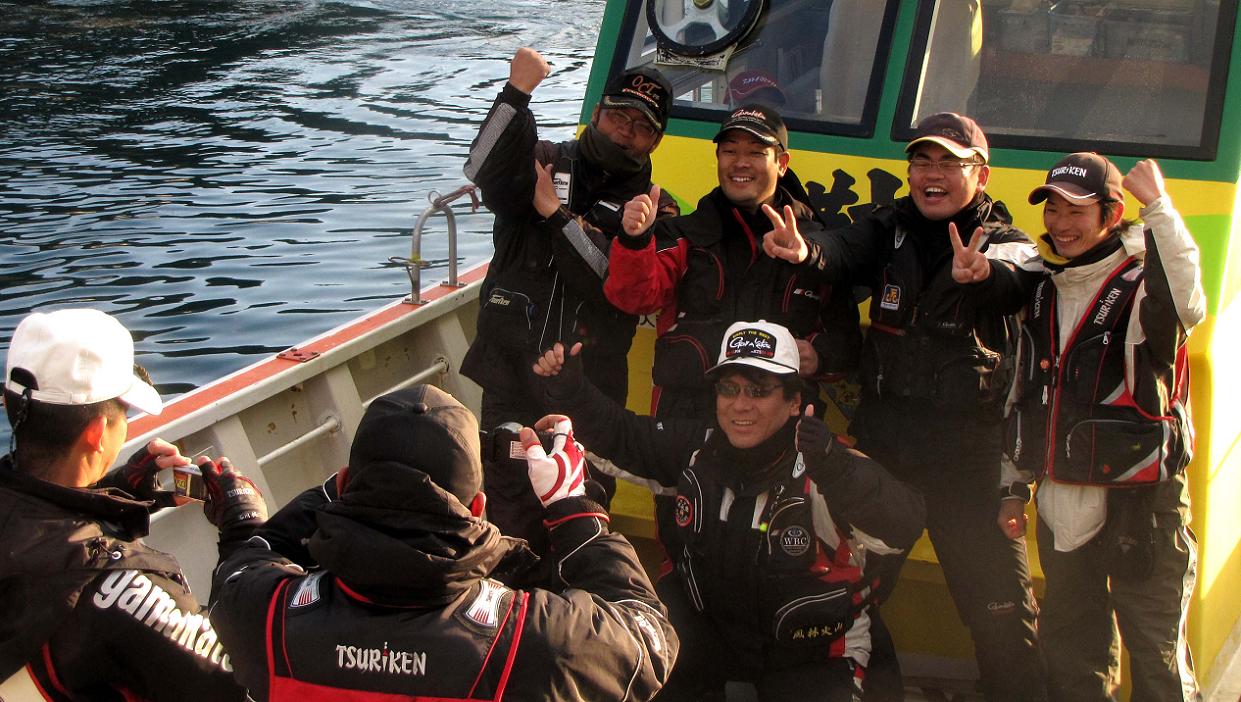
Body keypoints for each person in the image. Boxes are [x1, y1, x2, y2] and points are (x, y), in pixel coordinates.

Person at [764, 112, 1047, 700]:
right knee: (841, 593)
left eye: (949, 163)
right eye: (922, 161)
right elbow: (841, 248)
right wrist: (805, 250)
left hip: (969, 458)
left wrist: (984, 272)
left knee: (1002, 615)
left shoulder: (1004, 239)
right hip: (886, 447)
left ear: (982, 174)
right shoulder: (886, 226)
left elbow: (1022, 274)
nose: (932, 174)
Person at [532, 321, 924, 701]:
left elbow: (903, 525)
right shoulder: (699, 448)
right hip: (711, 635)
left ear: (794, 402)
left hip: (816, 651)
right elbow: (624, 436)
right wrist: (571, 391)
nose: (740, 405)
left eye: (759, 391)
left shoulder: (827, 463)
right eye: (729, 389)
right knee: (634, 670)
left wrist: (836, 469)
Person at [208, 384, 677, 702]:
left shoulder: (261, 615)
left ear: (346, 484)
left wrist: (262, 510)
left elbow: (247, 558)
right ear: (477, 508)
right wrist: (572, 505)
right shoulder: (534, 641)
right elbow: (649, 639)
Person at [998, 155, 1204, 701]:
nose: (1061, 224)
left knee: (1156, 654)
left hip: (1144, 504)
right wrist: (1012, 488)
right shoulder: (1040, 286)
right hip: (1061, 499)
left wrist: (1159, 206)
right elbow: (1022, 391)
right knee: (1070, 651)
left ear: (1112, 215)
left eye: (1077, 211)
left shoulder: (1145, 280)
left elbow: (1189, 305)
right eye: (1054, 209)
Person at [0, 308, 264, 700]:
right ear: (97, 432)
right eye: (124, 411)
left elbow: (37, 530)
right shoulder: (122, 588)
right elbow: (244, 682)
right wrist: (247, 539)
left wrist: (113, 495)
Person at [461, 47, 677, 429]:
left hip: (591, 388)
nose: (625, 131)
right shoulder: (545, 159)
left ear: (656, 141)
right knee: (504, 466)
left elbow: (613, 283)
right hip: (510, 375)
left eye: (642, 126)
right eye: (617, 116)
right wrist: (515, 93)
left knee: (587, 473)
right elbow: (479, 168)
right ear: (596, 113)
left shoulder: (657, 209)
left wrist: (555, 215)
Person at [608, 103, 862, 421]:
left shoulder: (814, 247)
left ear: (782, 163)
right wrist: (634, 240)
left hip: (780, 432)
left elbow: (848, 345)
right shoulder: (684, 234)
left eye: (756, 152)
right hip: (687, 423)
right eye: (729, 151)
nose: (740, 162)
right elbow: (634, 299)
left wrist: (819, 355)